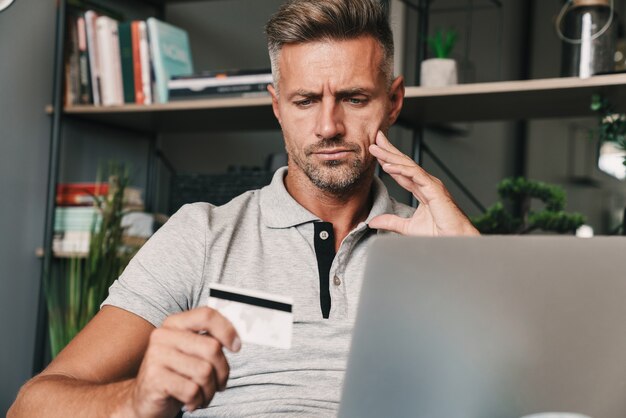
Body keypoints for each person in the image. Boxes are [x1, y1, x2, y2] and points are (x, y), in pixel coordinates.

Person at [9, 0, 478, 416]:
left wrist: (470, 271)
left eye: (354, 99)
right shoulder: (200, 235)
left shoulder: (436, 244)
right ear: (276, 105)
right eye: (305, 100)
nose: (328, 126)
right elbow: (32, 406)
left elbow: (528, 397)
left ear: (393, 101)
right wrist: (134, 400)